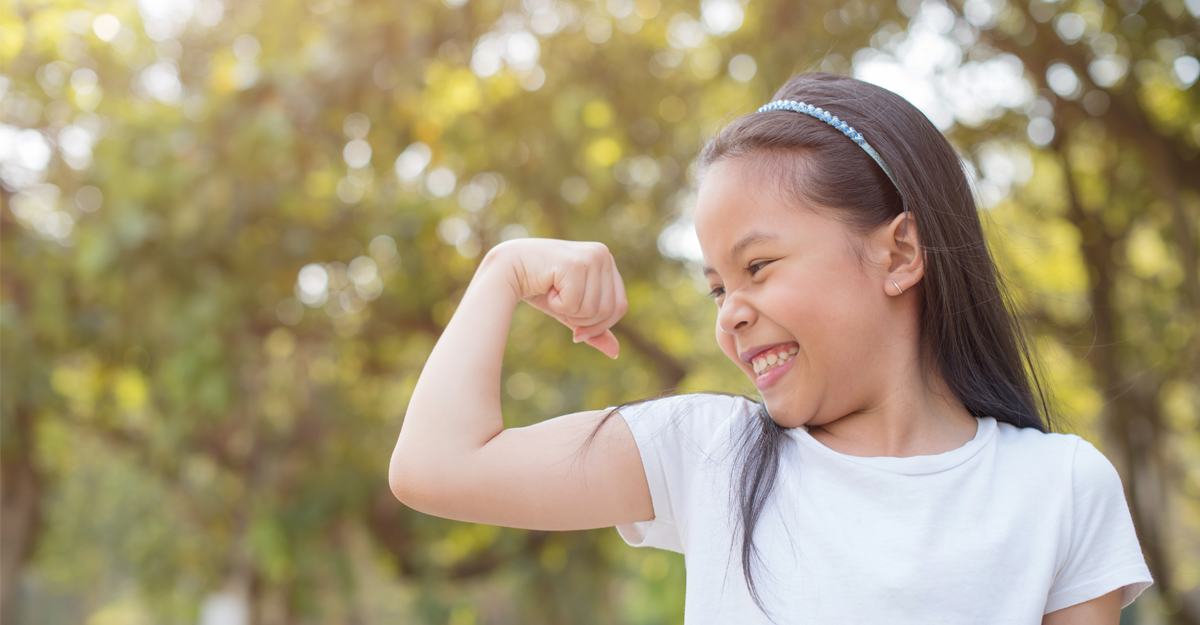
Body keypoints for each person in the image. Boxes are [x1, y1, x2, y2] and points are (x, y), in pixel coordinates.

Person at [389, 72, 1153, 623]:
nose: (731, 315)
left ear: (898, 253)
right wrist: (504, 270)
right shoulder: (708, 454)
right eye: (718, 287)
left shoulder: (1061, 487)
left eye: (756, 268)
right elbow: (435, 468)